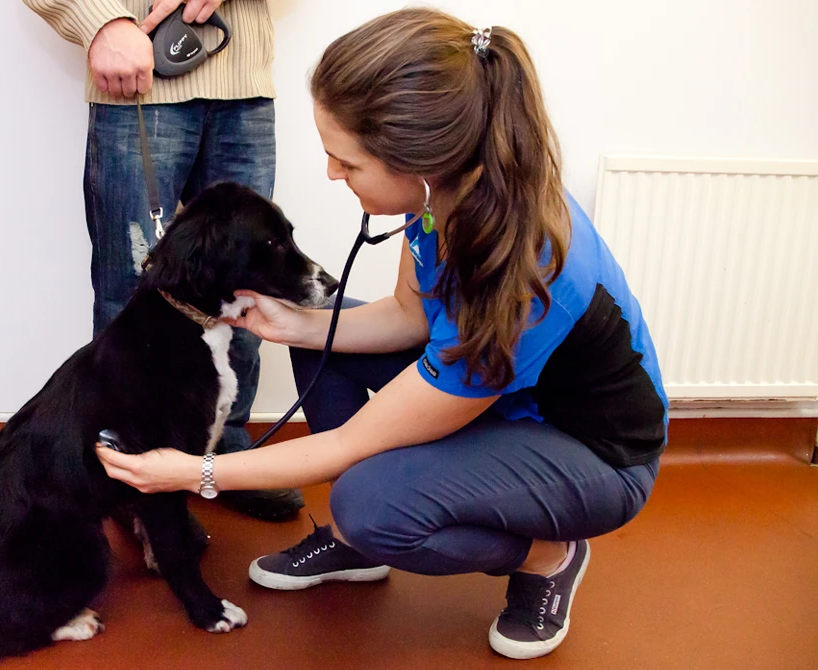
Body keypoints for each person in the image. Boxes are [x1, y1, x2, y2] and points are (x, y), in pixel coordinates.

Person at [94, 7, 668, 660]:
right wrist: (299, 324)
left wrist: (194, 473)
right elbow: (409, 314)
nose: (334, 175)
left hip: (592, 454)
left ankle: (546, 554)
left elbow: (346, 446)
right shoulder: (444, 195)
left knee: (370, 504)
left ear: (419, 160)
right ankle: (358, 540)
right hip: (504, 396)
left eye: (348, 161)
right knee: (319, 341)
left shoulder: (523, 270)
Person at [22, 0, 304, 519]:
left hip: (243, 81)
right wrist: (99, 21)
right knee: (132, 292)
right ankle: (133, 465)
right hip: (137, 82)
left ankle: (226, 451)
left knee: (248, 282)